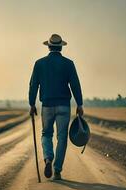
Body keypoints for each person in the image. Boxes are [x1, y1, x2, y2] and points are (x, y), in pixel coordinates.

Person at [28, 34, 84, 180]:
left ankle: (48, 158)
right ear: (61, 47)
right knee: (62, 137)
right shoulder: (68, 64)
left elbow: (33, 84)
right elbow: (75, 85)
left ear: (48, 46)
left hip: (46, 106)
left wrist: (32, 103)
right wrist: (80, 103)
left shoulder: (39, 63)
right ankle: (57, 170)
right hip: (64, 106)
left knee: (46, 134)